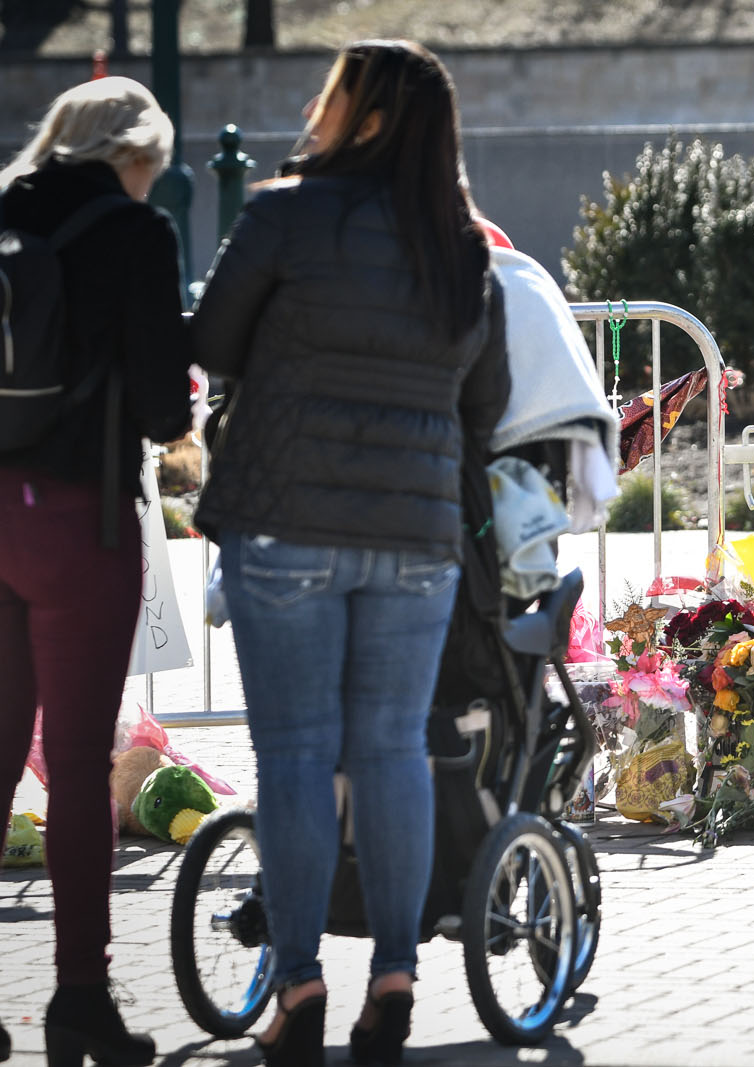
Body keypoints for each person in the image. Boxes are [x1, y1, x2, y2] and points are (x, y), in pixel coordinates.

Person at [190, 40, 509, 1067]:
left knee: (292, 754)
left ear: (364, 117)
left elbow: (216, 343)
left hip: (285, 525)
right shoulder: (461, 248)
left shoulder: (284, 213)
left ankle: (297, 981)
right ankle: (396, 977)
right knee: (390, 752)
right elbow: (486, 402)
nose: (316, 112)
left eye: (332, 97)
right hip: (414, 538)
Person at [0, 76, 190, 1067]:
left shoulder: (4, 204)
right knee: (76, 767)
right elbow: (163, 408)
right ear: (134, 152)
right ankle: (80, 998)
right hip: (79, 519)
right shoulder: (132, 233)